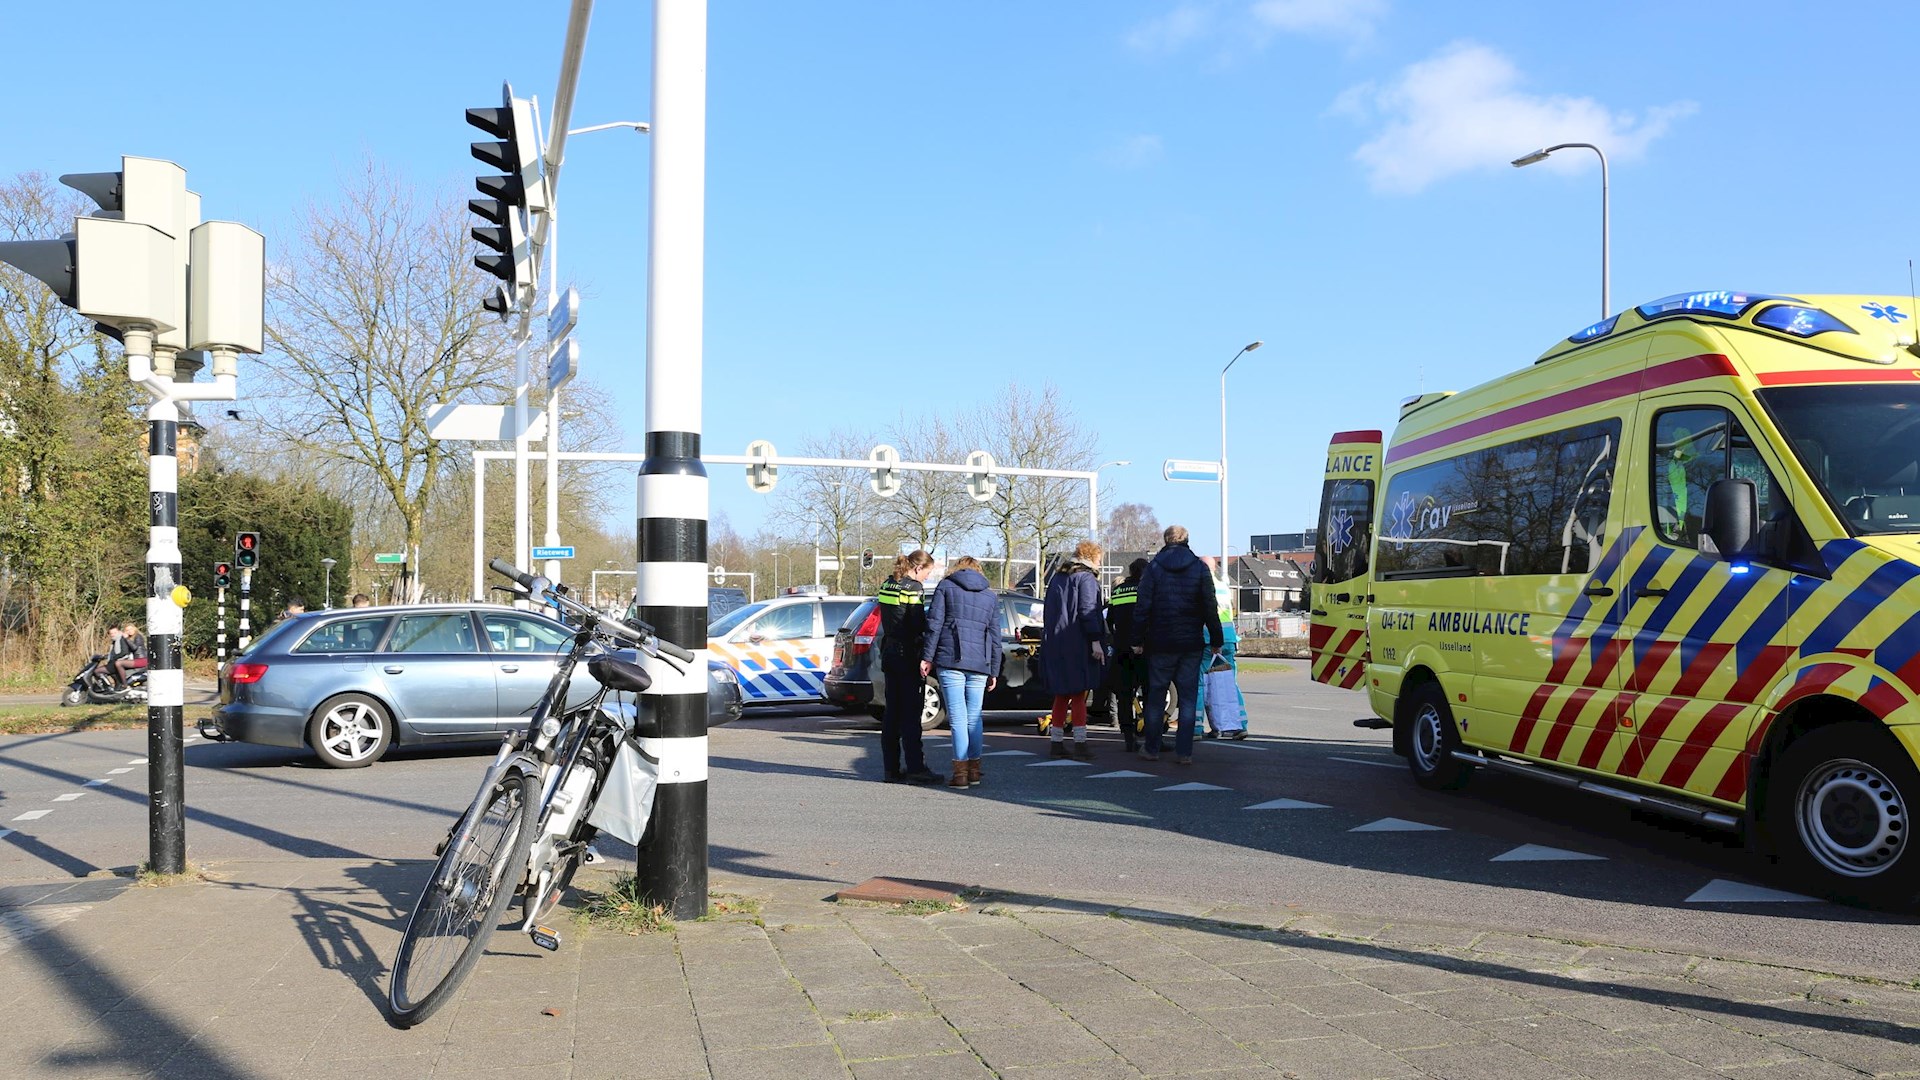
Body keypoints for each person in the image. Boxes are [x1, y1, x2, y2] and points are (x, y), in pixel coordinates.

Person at [1133, 525, 1223, 765]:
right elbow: (1209, 606)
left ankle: (1151, 748)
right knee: (1187, 698)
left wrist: (1137, 639)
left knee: (1155, 696)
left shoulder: (1153, 568)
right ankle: (1185, 752)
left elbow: (1142, 607)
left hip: (1159, 642)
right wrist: (1216, 639)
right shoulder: (1199, 568)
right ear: (1187, 540)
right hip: (1190, 642)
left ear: (1165, 540)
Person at [921, 555, 1002, 788]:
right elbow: (995, 635)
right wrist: (994, 669)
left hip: (950, 659)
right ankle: (974, 771)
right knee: (974, 717)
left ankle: (960, 774)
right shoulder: (989, 595)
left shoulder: (946, 586)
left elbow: (934, 624)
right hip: (980, 663)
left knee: (957, 717)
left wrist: (927, 657)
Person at [878, 551, 942, 784]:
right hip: (908, 655)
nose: (927, 577)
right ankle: (916, 768)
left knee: (892, 714)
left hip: (889, 653)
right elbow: (916, 623)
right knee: (911, 714)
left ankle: (891, 769)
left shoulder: (887, 583)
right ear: (917, 568)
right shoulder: (913, 588)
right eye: (927, 572)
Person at [1040, 540, 1107, 759]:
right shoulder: (1086, 578)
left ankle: (1056, 742)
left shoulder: (1058, 578)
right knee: (1079, 693)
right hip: (1078, 642)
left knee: (1061, 694)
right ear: (1092, 557)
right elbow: (1088, 610)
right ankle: (1080, 743)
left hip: (1057, 642)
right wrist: (1096, 639)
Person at [1101, 558, 1149, 753]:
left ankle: (1128, 738)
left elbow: (1110, 619)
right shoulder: (1146, 589)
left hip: (1121, 648)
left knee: (1124, 695)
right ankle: (1153, 737)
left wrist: (1119, 638)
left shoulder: (1118, 590)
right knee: (1150, 693)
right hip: (1143, 649)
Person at [114, 621, 148, 689]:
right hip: (138, 659)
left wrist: (126, 638)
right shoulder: (131, 638)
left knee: (118, 664)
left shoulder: (138, 636)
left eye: (131, 629)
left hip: (141, 660)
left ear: (135, 629)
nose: (129, 631)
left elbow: (135, 648)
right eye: (127, 630)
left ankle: (125, 685)